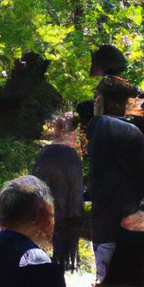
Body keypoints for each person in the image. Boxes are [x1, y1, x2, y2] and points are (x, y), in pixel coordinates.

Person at [85, 75, 144, 281]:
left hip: (104, 212)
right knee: (127, 277)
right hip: (130, 212)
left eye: (98, 98)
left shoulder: (98, 124)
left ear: (108, 101)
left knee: (105, 277)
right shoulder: (135, 132)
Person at [32, 113, 85, 271]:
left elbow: (35, 185)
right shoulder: (72, 156)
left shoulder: (44, 153)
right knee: (65, 264)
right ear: (68, 132)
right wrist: (77, 219)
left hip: (45, 214)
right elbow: (76, 190)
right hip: (67, 217)